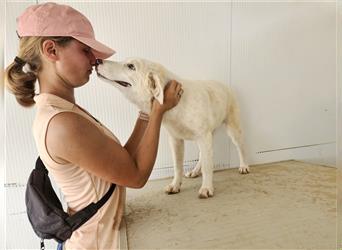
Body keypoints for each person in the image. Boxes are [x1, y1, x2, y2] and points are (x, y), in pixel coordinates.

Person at [5, 2, 183, 250]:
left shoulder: (64, 110)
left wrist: (147, 111)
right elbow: (137, 176)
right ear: (51, 50)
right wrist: (159, 111)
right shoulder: (62, 124)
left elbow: (123, 162)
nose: (95, 59)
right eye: (85, 50)